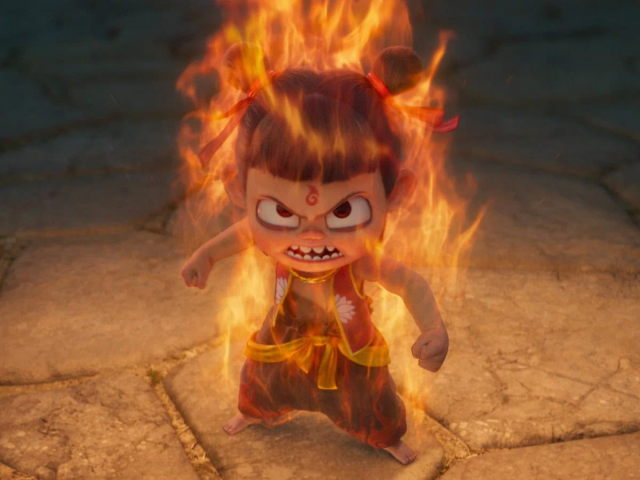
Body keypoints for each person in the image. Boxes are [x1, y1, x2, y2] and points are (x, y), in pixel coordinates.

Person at [181, 44, 451, 465]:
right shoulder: (266, 236)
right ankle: (255, 411)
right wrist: (207, 256)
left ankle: (384, 435)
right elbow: (245, 233)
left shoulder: (361, 261)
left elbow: (408, 282)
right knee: (261, 376)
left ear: (395, 194)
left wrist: (434, 327)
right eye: (280, 212)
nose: (310, 235)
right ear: (239, 190)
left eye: (343, 212)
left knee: (370, 399)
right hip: (284, 334)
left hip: (349, 349)